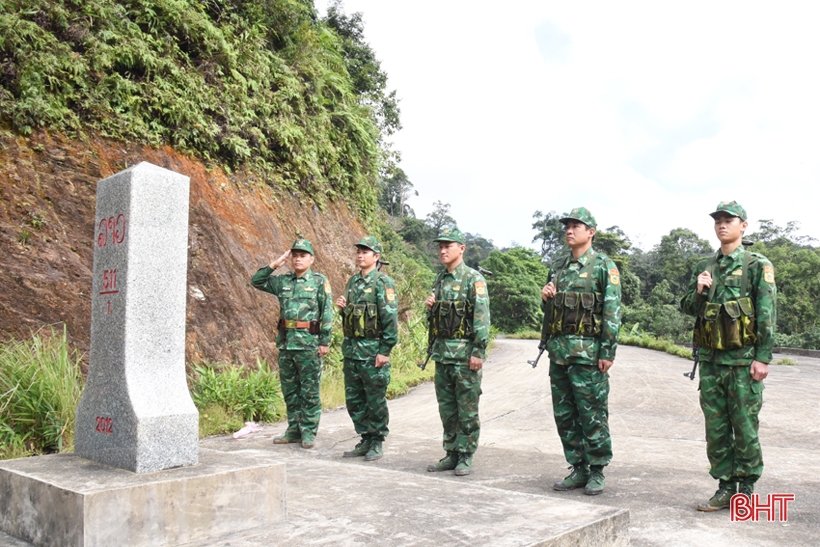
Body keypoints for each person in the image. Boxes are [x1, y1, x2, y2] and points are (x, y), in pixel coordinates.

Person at [681, 201, 776, 511]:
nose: (722, 225)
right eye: (718, 220)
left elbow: (766, 314)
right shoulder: (704, 266)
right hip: (710, 362)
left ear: (743, 226)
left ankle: (745, 488)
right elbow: (687, 308)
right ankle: (725, 487)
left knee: (745, 426)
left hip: (743, 362)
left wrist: (762, 357)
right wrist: (698, 291)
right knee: (717, 428)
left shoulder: (756, 265)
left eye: (729, 220)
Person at [540, 207, 621, 495]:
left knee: (593, 414)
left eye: (576, 226)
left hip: (588, 356)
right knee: (565, 414)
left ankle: (597, 469)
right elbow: (550, 311)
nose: (569, 230)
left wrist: (607, 352)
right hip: (559, 354)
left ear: (591, 231)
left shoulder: (603, 266)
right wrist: (545, 298)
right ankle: (578, 467)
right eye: (567, 226)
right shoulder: (558, 266)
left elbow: (612, 312)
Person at [250, 238, 333, 449]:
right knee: (290, 390)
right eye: (295, 255)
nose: (298, 259)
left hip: (309, 344)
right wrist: (275, 265)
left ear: (311, 259)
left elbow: (327, 312)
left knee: (310, 391)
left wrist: (324, 341)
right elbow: (256, 281)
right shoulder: (283, 281)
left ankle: (308, 431)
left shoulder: (318, 281)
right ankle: (293, 429)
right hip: (287, 344)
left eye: (303, 255)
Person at [425, 227, 490, 477]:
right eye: (440, 246)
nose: (443, 250)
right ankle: (451, 452)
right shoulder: (439, 280)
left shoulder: (474, 279)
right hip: (443, 355)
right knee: (447, 408)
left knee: (467, 409)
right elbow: (432, 323)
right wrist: (429, 309)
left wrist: (478, 352)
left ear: (461, 248)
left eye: (448, 246)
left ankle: (465, 455)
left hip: (465, 356)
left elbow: (481, 319)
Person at [335, 236, 399, 461]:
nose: (360, 255)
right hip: (352, 351)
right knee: (354, 399)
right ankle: (364, 438)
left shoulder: (382, 283)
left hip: (372, 352)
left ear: (376, 257)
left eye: (366, 251)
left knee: (375, 399)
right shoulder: (353, 282)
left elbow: (390, 319)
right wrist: (343, 309)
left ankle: (377, 440)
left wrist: (385, 350)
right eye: (358, 251)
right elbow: (353, 317)